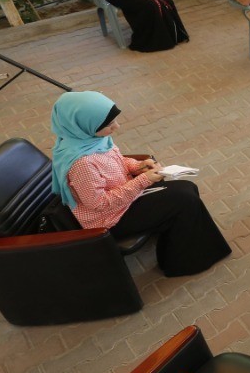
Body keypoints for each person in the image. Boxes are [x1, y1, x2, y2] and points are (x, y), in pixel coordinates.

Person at [50, 91, 231, 277]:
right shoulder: (82, 164)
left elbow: (117, 160)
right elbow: (99, 203)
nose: (117, 126)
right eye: (109, 124)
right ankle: (181, 263)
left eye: (115, 121)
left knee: (188, 190)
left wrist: (139, 166)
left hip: (124, 200)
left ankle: (182, 247)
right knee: (185, 198)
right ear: (86, 124)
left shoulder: (91, 139)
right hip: (112, 218)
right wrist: (144, 180)